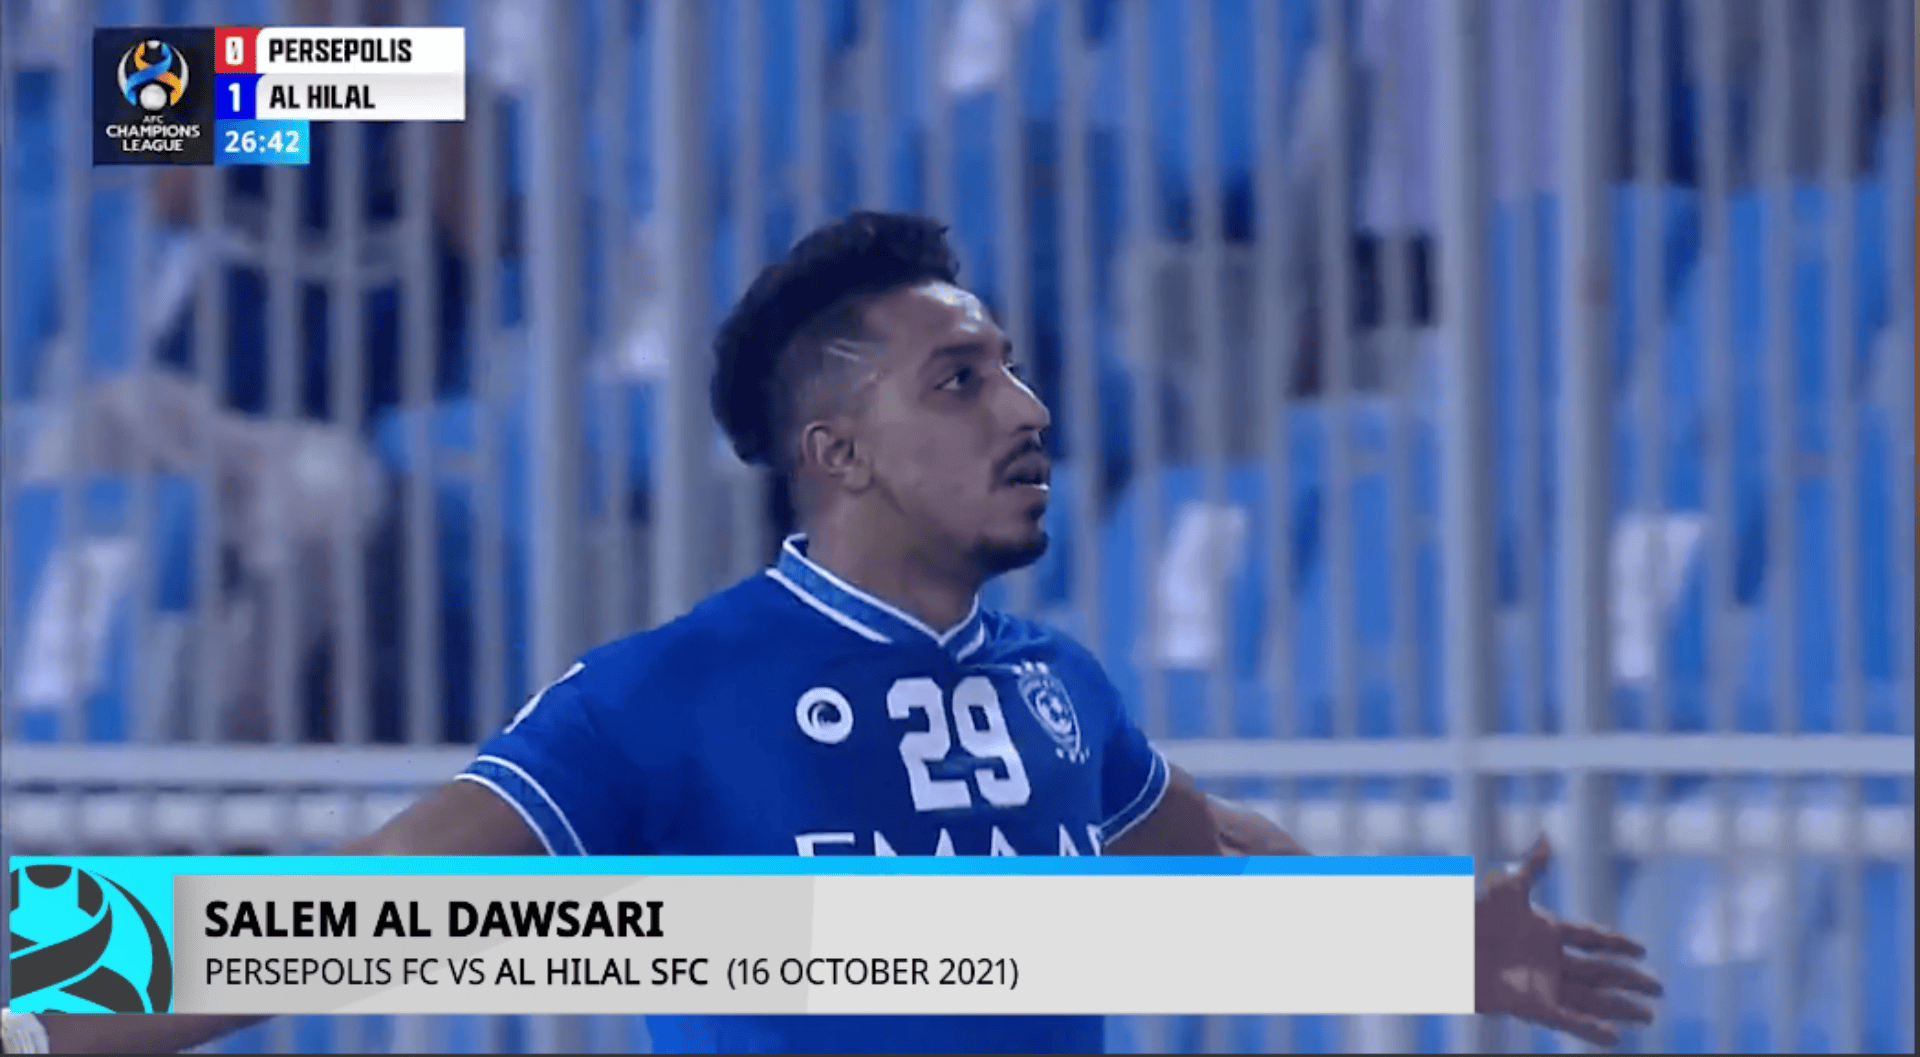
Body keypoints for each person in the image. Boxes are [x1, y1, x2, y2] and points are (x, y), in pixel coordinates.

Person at [9, 213, 1662, 1056]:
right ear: (839, 450)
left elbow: (1208, 850)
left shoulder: (1056, 688)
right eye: (963, 379)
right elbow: (346, 911)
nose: (1028, 407)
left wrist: (1421, 939)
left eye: (1014, 366)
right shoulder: (668, 694)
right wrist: (30, 998)